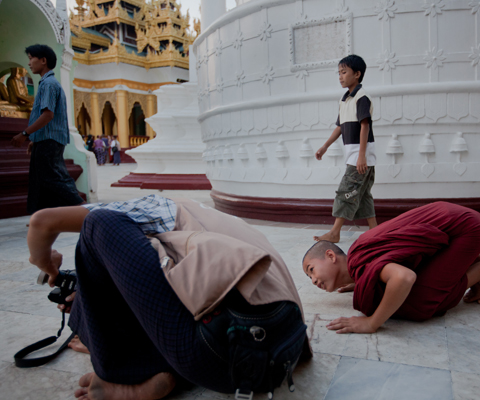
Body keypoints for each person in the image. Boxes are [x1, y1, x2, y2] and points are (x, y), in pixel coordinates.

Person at [27, 195, 310, 399]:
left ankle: (120, 375)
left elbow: (42, 223)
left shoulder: (153, 207)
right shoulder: (217, 222)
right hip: (281, 353)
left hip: (218, 356)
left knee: (98, 225)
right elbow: (157, 293)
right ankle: (159, 368)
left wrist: (47, 264)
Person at [302, 201, 480, 334]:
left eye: (311, 270)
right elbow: (401, 256)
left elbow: (404, 277)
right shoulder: (360, 265)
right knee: (400, 293)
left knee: (419, 300)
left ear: (330, 256)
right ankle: (468, 261)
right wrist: (362, 282)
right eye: (309, 278)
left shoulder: (358, 262)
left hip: (465, 229)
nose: (313, 280)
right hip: (456, 222)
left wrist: (371, 323)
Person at [10, 44, 84, 214]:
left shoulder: (48, 84)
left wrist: (25, 134)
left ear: (43, 60)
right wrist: (34, 139)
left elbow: (48, 115)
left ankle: (86, 211)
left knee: (55, 179)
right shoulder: (47, 83)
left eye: (31, 58)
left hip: (49, 141)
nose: (29, 63)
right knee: (41, 181)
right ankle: (42, 218)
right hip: (45, 139)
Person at [314, 54, 377, 243]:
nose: (340, 77)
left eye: (344, 72)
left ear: (357, 74)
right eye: (339, 73)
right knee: (363, 195)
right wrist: (325, 146)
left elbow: (365, 126)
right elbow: (341, 126)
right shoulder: (344, 100)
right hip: (358, 157)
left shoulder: (362, 97)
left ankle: (334, 232)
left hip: (360, 158)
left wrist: (361, 156)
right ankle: (376, 232)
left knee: (346, 192)